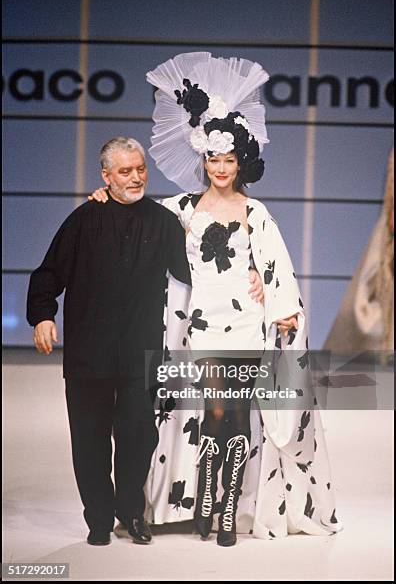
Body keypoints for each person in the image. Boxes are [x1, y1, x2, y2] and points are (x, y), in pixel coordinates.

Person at [88, 52, 342, 546]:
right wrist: (102, 198)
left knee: (240, 413)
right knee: (215, 411)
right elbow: (134, 213)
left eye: (228, 159)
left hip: (247, 322)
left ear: (239, 161)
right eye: (212, 158)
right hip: (202, 324)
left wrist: (280, 303)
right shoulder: (179, 208)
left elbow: (277, 265)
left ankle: (227, 510)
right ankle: (206, 498)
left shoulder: (255, 210)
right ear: (201, 159)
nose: (220, 168)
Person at [27, 136, 265, 547]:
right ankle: (98, 521)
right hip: (89, 351)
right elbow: (48, 273)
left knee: (139, 437)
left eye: (140, 169)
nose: (136, 177)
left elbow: (196, 271)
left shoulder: (163, 220)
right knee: (89, 437)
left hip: (140, 351)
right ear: (105, 176)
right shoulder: (84, 219)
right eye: (124, 171)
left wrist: (253, 272)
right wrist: (43, 316)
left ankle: (131, 514)